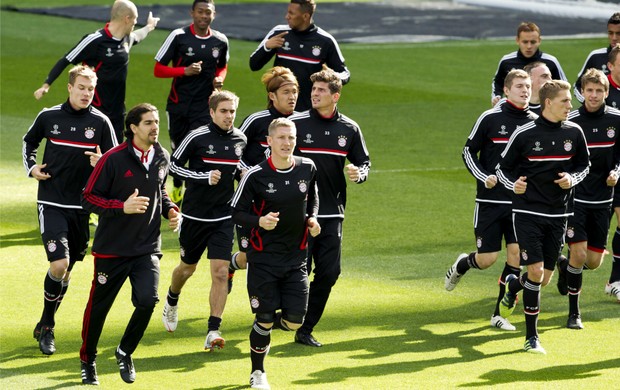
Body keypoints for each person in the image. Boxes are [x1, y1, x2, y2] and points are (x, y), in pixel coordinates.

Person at [79, 103, 180, 385]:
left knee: (148, 300)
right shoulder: (112, 159)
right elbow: (88, 197)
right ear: (134, 127)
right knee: (99, 308)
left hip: (146, 247)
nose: (155, 127)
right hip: (112, 249)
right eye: (148, 122)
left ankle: (124, 351)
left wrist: (170, 208)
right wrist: (121, 207)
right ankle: (88, 359)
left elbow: (159, 190)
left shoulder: (161, 156)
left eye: (157, 121)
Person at [23, 65, 118, 356]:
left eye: (91, 89)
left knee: (67, 270)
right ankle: (49, 326)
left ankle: (43, 320)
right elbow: (29, 142)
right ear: (70, 87)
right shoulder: (49, 116)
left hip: (82, 207)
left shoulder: (101, 123)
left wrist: (100, 163)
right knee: (59, 265)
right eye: (81, 88)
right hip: (51, 202)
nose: (86, 94)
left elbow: (115, 164)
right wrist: (32, 168)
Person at [496, 80, 590, 354]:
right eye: (565, 101)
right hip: (527, 213)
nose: (570, 105)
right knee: (535, 272)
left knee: (543, 279)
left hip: (560, 214)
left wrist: (572, 178)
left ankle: (513, 286)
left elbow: (584, 165)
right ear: (548, 102)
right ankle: (531, 338)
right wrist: (514, 185)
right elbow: (502, 168)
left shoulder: (574, 132)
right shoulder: (525, 133)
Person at [231, 117, 320, 390]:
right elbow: (235, 212)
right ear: (269, 142)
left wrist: (313, 219)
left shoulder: (307, 167)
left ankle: (267, 321)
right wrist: (260, 221)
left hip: (296, 258)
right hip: (263, 258)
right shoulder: (255, 175)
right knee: (265, 320)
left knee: (295, 322)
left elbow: (313, 196)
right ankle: (258, 372)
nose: (287, 142)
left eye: (291, 137)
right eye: (281, 138)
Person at [445, 69, 537, 331]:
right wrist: (484, 176)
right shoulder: (490, 118)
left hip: (521, 204)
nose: (525, 90)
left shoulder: (535, 122)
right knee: (487, 259)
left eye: (528, 86)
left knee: (516, 255)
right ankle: (463, 263)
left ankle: (499, 315)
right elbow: (467, 151)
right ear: (506, 90)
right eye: (519, 86)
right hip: (490, 201)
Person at [290, 66, 370, 347]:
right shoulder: (296, 124)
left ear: (335, 96)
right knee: (295, 270)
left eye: (321, 91)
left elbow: (364, 163)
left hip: (332, 213)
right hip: (298, 214)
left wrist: (359, 173)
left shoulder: (349, 128)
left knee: (329, 272)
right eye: (313, 90)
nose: (315, 94)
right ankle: (287, 316)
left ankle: (305, 328)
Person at [161, 91, 246, 351]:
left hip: (223, 217)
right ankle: (172, 299)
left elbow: (241, 167)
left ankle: (213, 330)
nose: (229, 116)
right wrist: (202, 177)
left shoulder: (240, 139)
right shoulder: (196, 137)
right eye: (223, 111)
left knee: (221, 273)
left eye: (232, 111)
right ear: (212, 112)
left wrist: (243, 173)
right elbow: (173, 167)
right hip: (195, 216)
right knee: (187, 269)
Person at [34, 0, 160, 142]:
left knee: (114, 154)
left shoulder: (126, 39)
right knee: (89, 151)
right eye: (135, 19)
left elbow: (138, 35)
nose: (135, 23)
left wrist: (150, 26)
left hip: (117, 111)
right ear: (127, 18)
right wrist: (46, 85)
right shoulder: (95, 40)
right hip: (95, 110)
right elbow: (67, 59)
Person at [554, 69, 620, 328]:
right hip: (575, 200)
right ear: (581, 92)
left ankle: (564, 267)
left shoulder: (616, 120)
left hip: (603, 200)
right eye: (589, 90)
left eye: (599, 91)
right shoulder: (570, 121)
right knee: (579, 255)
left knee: (592, 262)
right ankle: (574, 313)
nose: (593, 95)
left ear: (606, 93)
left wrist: (617, 172)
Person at [228, 66, 300, 293]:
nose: (292, 97)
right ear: (272, 96)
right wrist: (247, 173)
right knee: (251, 255)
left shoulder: (301, 122)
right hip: (253, 202)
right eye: (287, 92)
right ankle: (234, 265)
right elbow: (233, 151)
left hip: (285, 202)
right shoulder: (256, 121)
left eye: (295, 91)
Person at [153, 0, 229, 204]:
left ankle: (193, 194)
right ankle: (177, 184)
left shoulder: (220, 40)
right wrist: (183, 71)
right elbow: (158, 69)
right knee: (178, 151)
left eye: (208, 13)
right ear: (192, 13)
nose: (204, 16)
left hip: (205, 108)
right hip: (178, 105)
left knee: (199, 148)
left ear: (214, 14)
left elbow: (222, 66)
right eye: (200, 12)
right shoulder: (178, 36)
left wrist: (220, 78)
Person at [249, 0, 350, 112]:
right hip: (279, 110)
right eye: (287, 12)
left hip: (309, 112)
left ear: (305, 16)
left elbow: (345, 74)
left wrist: (333, 77)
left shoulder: (325, 41)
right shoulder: (279, 32)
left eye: (291, 13)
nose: (287, 16)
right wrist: (267, 47)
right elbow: (254, 65)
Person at [491, 22, 567, 106]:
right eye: (525, 42)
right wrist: (496, 96)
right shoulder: (506, 61)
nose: (529, 46)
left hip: (544, 110)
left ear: (539, 41)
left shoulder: (551, 62)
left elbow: (563, 87)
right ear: (517, 40)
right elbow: (497, 82)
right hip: (515, 110)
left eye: (533, 42)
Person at [573, 12, 620, 103]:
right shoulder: (596, 56)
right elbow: (578, 86)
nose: (614, 37)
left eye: (618, 33)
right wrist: (590, 104)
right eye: (610, 33)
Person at [605, 46, 620, 302]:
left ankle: (615, 279)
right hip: (600, 172)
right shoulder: (601, 91)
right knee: (586, 253)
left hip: (619, 168)